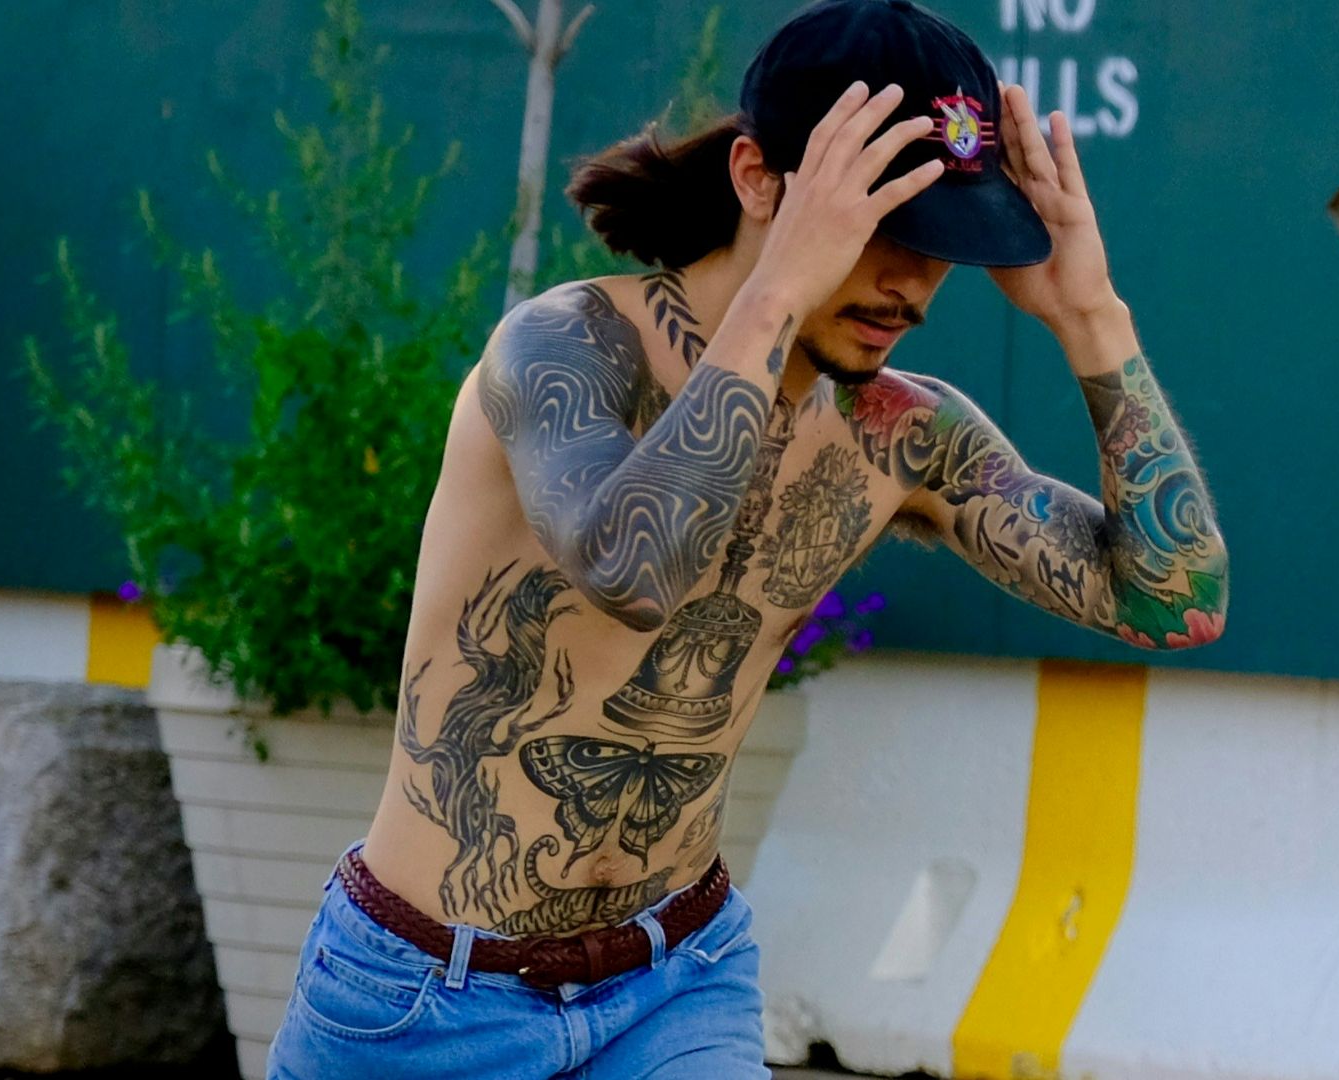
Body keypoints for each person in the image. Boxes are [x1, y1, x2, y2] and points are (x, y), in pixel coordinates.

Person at [266, 0, 1228, 1076]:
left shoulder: (901, 434)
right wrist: (777, 292)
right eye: (880, 227)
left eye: (942, 246)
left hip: (678, 985)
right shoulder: (566, 346)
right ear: (760, 180)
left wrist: (1091, 317)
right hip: (429, 1000)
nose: (910, 284)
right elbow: (636, 570)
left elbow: (1172, 599)